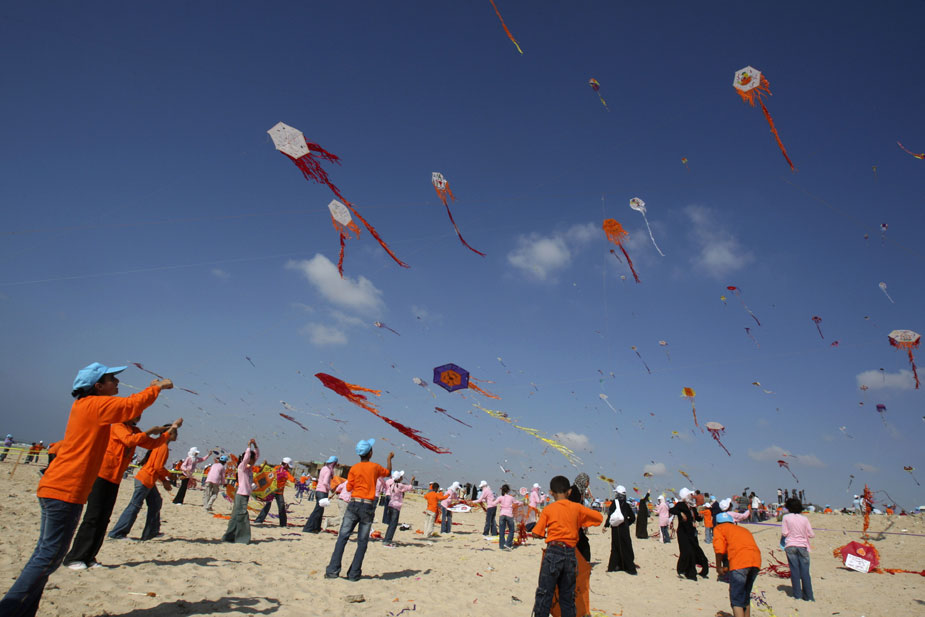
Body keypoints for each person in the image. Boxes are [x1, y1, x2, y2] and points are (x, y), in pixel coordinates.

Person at [0, 363, 170, 617]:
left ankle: (23, 611)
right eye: (112, 379)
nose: (117, 382)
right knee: (47, 557)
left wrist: (163, 432)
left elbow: (137, 429)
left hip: (67, 489)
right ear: (98, 386)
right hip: (64, 489)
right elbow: (130, 406)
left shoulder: (93, 408)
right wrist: (156, 387)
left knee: (48, 558)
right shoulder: (93, 405)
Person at [65, 415, 179, 569]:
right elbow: (130, 441)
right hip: (103, 475)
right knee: (94, 517)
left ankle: (90, 557)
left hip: (115, 478)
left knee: (104, 518)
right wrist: (152, 431)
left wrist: (170, 429)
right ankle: (75, 557)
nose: (138, 416)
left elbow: (151, 443)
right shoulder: (118, 426)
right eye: (136, 412)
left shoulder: (135, 431)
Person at [530, 475, 603, 617]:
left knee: (545, 594)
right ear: (569, 492)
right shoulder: (577, 508)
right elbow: (598, 518)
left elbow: (536, 532)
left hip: (553, 552)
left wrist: (540, 534)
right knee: (567, 597)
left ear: (551, 493)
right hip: (570, 555)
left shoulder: (548, 509)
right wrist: (578, 520)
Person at [325, 438, 393, 581]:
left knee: (343, 537)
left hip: (353, 504)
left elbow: (349, 487)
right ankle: (354, 574)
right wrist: (389, 459)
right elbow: (388, 472)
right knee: (362, 541)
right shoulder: (375, 467)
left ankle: (332, 571)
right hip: (367, 505)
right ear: (370, 453)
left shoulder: (354, 468)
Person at [108, 428, 178, 540]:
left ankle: (151, 532)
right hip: (145, 479)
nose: (177, 435)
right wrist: (169, 476)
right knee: (135, 505)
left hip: (149, 479)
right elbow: (158, 467)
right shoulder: (163, 447)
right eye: (175, 432)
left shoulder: (160, 445)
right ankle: (117, 532)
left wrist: (164, 480)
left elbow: (156, 467)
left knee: (156, 502)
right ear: (170, 433)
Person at [713, 512, 762, 617]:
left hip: (740, 563)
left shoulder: (719, 528)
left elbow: (719, 549)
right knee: (745, 596)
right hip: (755, 561)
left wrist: (718, 567)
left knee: (736, 599)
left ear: (717, 523)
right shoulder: (743, 530)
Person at [223, 439, 258, 544]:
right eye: (252, 459)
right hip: (242, 493)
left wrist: (255, 445)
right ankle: (242, 538)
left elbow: (256, 456)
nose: (254, 461)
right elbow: (247, 458)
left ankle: (229, 537)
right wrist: (249, 447)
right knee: (242, 515)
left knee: (235, 515)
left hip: (244, 493)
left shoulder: (249, 469)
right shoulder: (242, 467)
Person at [669, 488, 709, 581]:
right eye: (689, 495)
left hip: (692, 533)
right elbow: (672, 510)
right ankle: (683, 571)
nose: (691, 496)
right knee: (687, 552)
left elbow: (697, 518)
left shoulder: (692, 506)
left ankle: (702, 571)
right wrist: (680, 513)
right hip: (683, 533)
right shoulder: (681, 505)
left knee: (697, 551)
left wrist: (700, 516)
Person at [781, 497, 815, 601]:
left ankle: (797, 595)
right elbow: (811, 534)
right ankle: (809, 596)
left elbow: (784, 533)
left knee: (794, 571)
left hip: (790, 545)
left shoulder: (786, 518)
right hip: (802, 546)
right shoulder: (804, 519)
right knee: (805, 572)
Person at [254, 457, 295, 527]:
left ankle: (259, 520)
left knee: (274, 506)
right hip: (275, 491)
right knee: (279, 507)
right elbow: (292, 479)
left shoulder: (278, 468)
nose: (289, 467)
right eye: (288, 465)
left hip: (274, 491)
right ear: (286, 464)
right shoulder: (284, 471)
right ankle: (282, 524)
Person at [605, 486, 637, 574]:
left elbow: (610, 515)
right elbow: (633, 518)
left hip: (616, 529)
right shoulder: (626, 505)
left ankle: (613, 566)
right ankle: (629, 568)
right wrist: (626, 523)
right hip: (624, 529)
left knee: (615, 548)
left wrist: (606, 525)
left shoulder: (614, 504)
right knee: (626, 547)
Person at [303, 456, 337, 533]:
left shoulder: (324, 468)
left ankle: (316, 528)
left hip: (318, 491)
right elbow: (325, 482)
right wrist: (331, 489)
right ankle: (308, 528)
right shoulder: (328, 470)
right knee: (318, 511)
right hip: (323, 492)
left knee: (320, 511)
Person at [382, 470, 414, 546]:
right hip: (395, 507)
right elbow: (409, 488)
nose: (402, 477)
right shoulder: (399, 485)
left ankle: (386, 539)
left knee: (391, 524)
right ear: (399, 478)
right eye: (401, 476)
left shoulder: (392, 485)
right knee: (393, 524)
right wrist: (412, 480)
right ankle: (387, 541)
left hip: (391, 505)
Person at [491, 484, 516, 550]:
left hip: (502, 515)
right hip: (509, 515)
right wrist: (523, 503)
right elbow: (517, 502)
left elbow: (493, 503)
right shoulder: (511, 497)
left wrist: (490, 500)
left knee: (502, 531)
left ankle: (502, 546)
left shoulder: (500, 497)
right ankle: (508, 544)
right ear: (508, 490)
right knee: (511, 530)